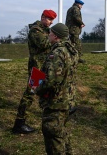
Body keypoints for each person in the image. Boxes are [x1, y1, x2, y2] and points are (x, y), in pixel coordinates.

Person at [35, 23, 78, 155]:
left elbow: (52, 80)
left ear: (56, 36)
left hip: (55, 101)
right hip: (66, 99)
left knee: (53, 135)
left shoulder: (58, 53)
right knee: (61, 132)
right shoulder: (71, 50)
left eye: (51, 33)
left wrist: (37, 88)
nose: (48, 35)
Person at [12, 9, 57, 134]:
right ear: (43, 17)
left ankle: (55, 113)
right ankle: (19, 123)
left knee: (50, 89)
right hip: (37, 67)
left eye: (52, 20)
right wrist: (54, 38)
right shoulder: (35, 30)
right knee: (30, 94)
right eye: (49, 19)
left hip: (45, 66)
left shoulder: (46, 30)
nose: (51, 22)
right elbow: (44, 43)